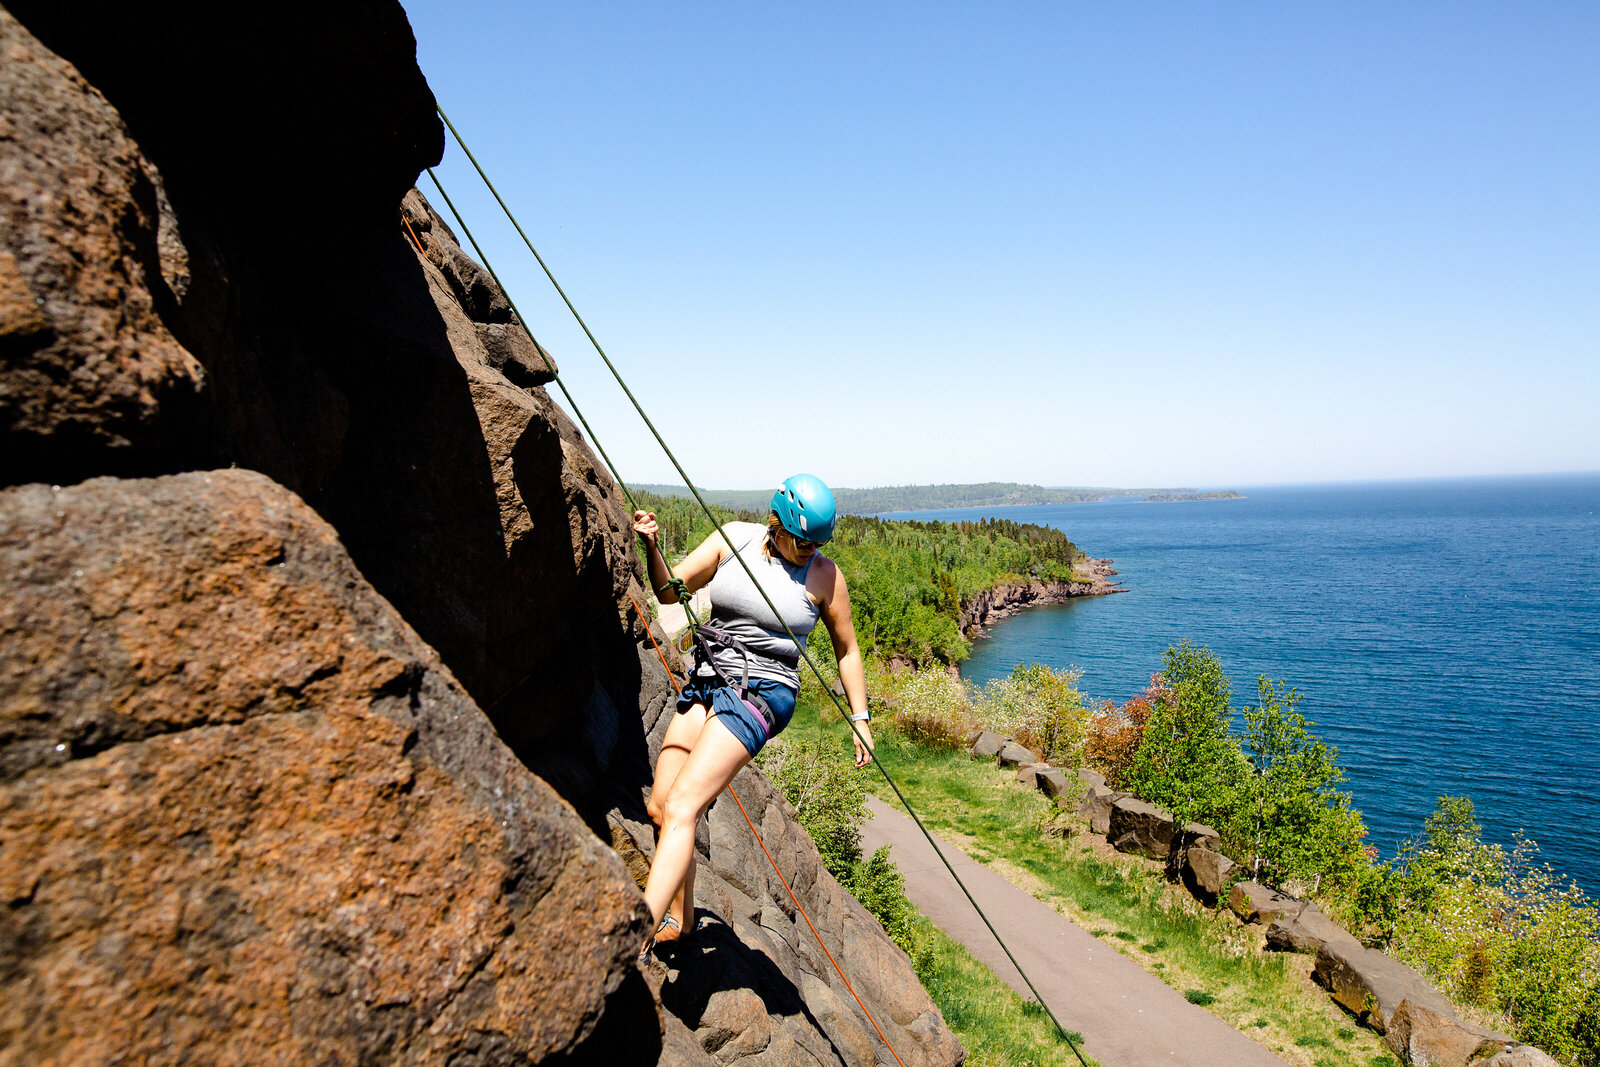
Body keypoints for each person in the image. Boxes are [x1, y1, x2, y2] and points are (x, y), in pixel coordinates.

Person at [632, 473, 873, 960]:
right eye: (803, 542)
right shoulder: (734, 539)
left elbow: (847, 649)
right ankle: (683, 919)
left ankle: (632, 936)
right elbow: (669, 592)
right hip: (710, 674)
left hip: (765, 691)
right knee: (660, 807)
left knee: (683, 806)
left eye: (819, 544)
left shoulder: (825, 576)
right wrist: (652, 547)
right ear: (777, 524)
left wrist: (860, 718)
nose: (811, 551)